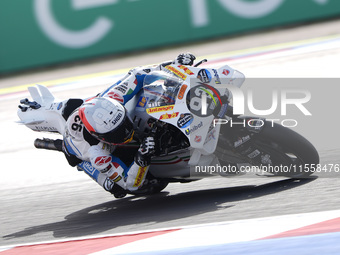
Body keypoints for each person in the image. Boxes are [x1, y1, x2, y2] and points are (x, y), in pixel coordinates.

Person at [62, 53, 196, 198]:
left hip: (95, 106)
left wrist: (175, 64)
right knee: (115, 187)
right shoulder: (97, 155)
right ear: (99, 136)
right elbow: (129, 182)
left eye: (124, 122)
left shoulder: (114, 97)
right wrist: (141, 158)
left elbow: (139, 73)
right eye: (118, 132)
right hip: (77, 151)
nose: (127, 131)